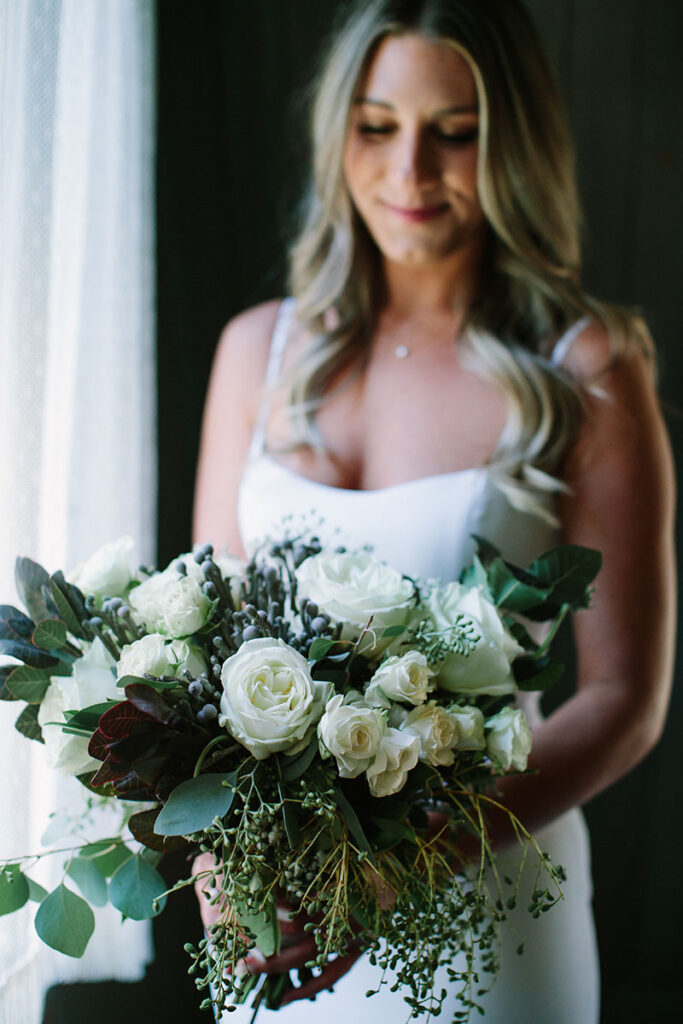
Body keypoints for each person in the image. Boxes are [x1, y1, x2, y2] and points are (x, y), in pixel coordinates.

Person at [192, 1, 676, 1020]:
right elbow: (207, 655)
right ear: (338, 135)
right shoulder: (255, 352)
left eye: (454, 134)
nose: (408, 172)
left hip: (489, 910)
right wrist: (215, 850)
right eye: (376, 126)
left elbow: (623, 698)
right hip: (279, 913)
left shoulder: (582, 368)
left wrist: (401, 864)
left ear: (513, 147)